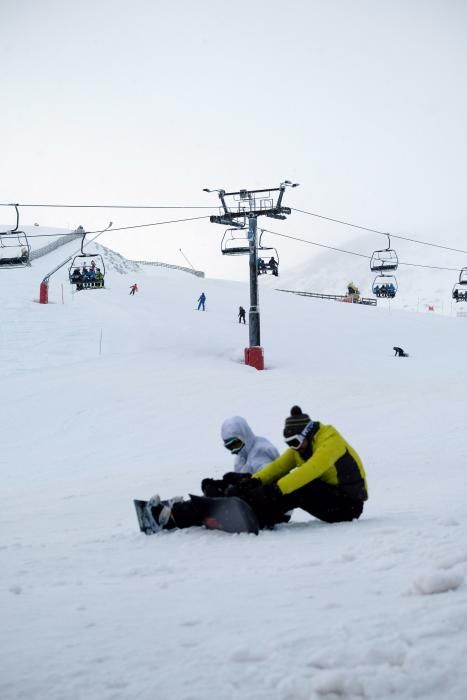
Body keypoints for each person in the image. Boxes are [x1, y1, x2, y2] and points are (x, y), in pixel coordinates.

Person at [143, 416, 281, 532]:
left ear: (245, 436)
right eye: (229, 447)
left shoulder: (261, 453)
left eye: (235, 445)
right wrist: (219, 484)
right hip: (248, 504)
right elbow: (241, 481)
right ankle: (176, 512)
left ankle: (170, 519)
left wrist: (226, 487)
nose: (233, 450)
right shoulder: (243, 455)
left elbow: (264, 483)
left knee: (212, 504)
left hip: (264, 510)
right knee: (211, 500)